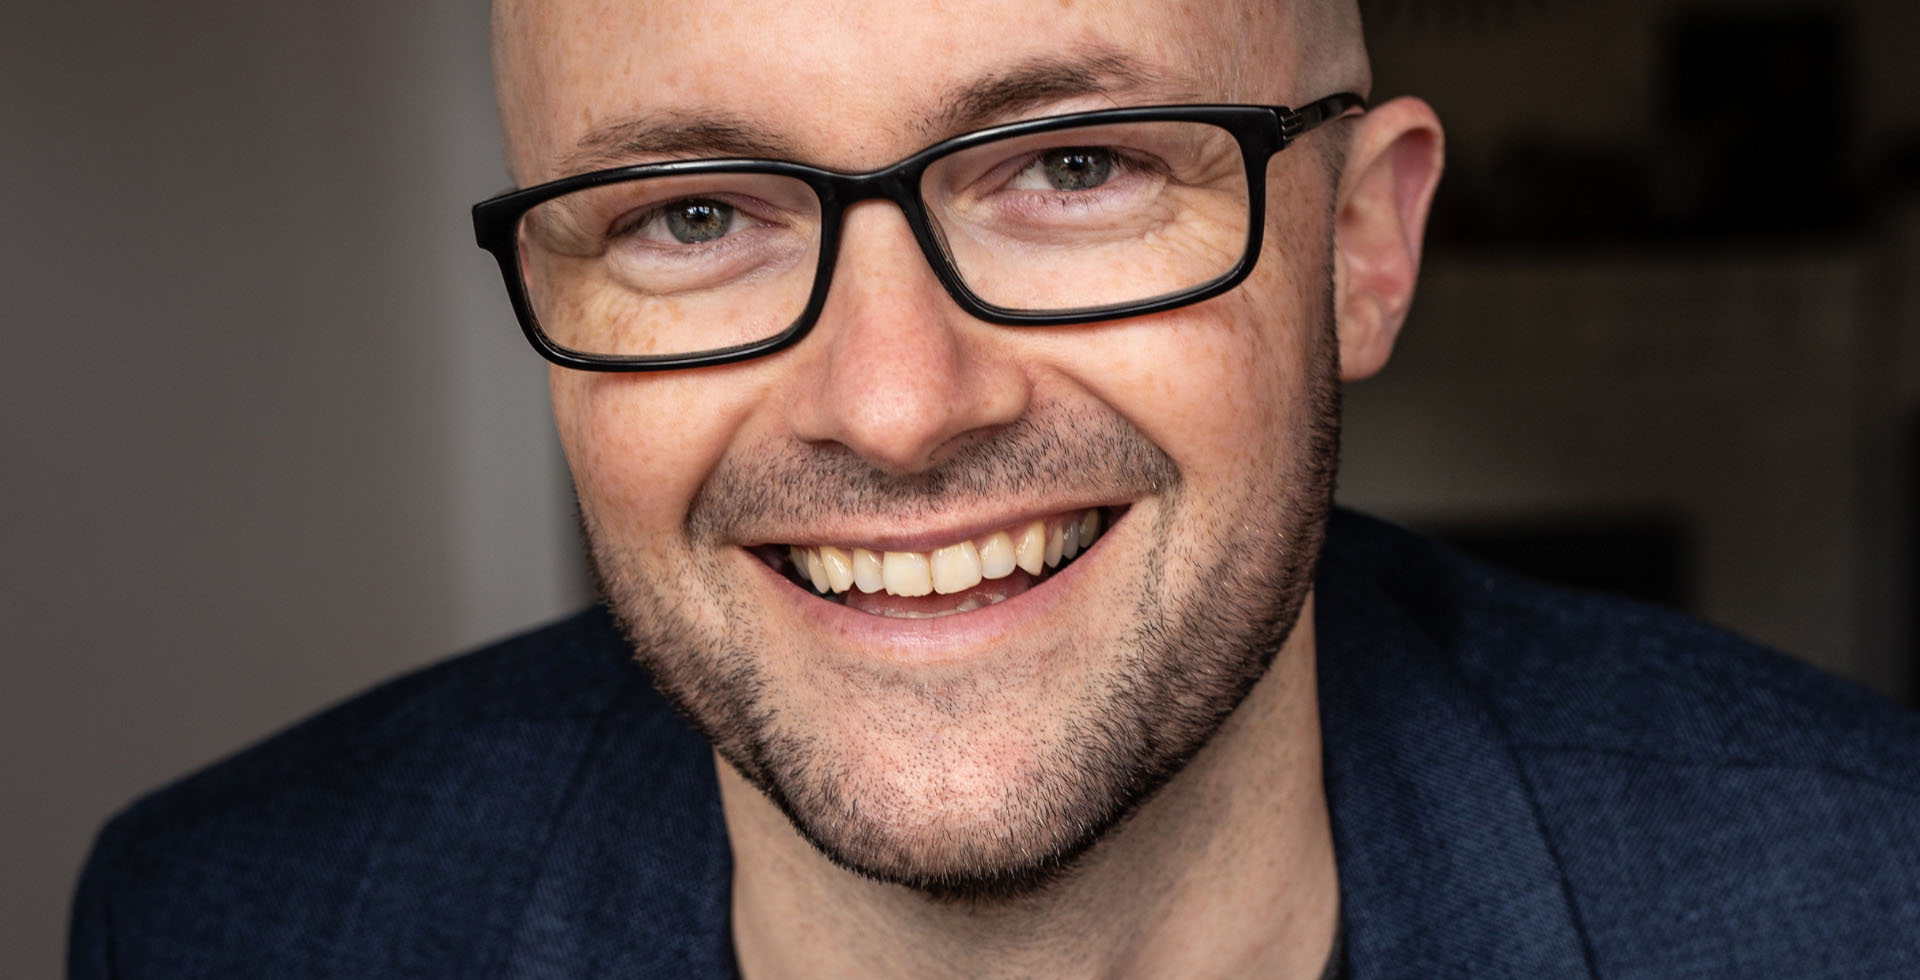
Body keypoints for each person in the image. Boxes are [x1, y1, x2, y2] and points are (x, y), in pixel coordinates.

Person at [69, 0, 1920, 976]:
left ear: (1361, 243)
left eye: (1079, 169)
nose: (893, 405)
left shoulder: (1867, 904)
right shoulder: (231, 922)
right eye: (692, 214)